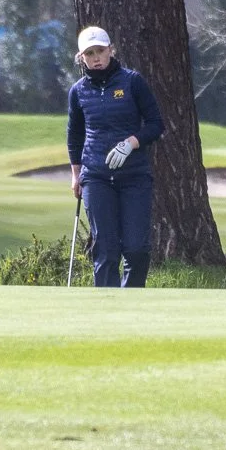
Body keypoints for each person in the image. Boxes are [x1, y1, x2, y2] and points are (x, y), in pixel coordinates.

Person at [66, 26, 164, 287]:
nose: (96, 57)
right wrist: (76, 176)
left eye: (100, 51)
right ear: (81, 57)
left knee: (135, 248)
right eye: (90, 53)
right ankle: (106, 309)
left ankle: (131, 305)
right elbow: (74, 135)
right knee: (106, 249)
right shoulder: (78, 92)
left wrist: (131, 142)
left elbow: (156, 124)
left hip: (134, 177)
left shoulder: (132, 82)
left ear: (111, 50)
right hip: (96, 176)